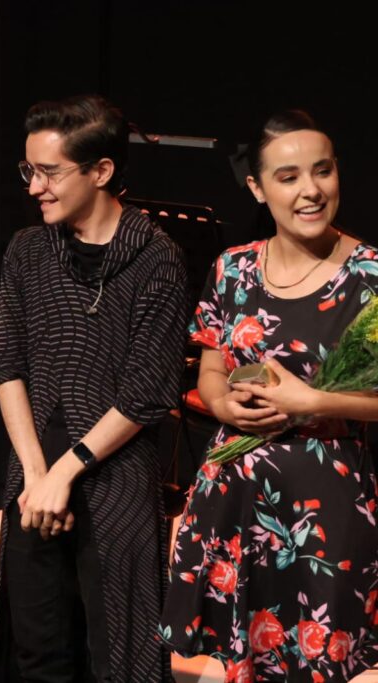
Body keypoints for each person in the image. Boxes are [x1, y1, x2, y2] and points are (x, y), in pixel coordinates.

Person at [160, 111, 378, 682]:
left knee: (319, 661)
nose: (311, 190)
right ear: (258, 188)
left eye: (322, 171)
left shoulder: (371, 276)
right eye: (288, 177)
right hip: (233, 498)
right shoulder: (232, 269)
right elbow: (211, 370)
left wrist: (315, 403)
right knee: (246, 664)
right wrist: (221, 403)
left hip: (324, 507)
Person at [0, 94, 189, 681]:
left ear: (101, 171)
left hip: (113, 478)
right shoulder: (28, 250)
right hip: (34, 477)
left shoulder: (156, 258)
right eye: (29, 170)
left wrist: (65, 473)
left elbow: (147, 393)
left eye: (49, 172)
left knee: (113, 655)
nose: (35, 187)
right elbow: (7, 364)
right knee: (37, 652)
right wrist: (36, 475)